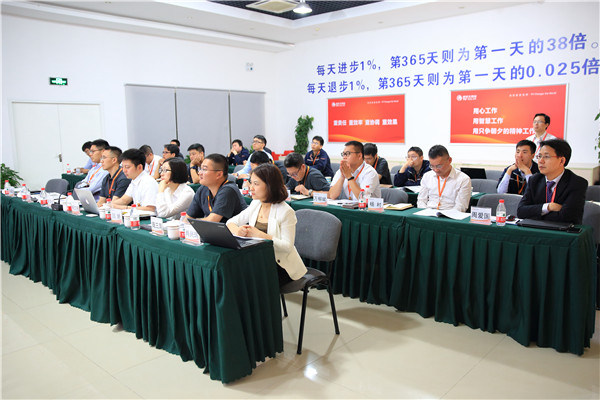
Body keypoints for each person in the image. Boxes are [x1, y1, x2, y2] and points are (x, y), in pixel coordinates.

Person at [226, 163, 307, 287]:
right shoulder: (256, 204)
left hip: (279, 264)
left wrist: (260, 235)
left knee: (243, 277)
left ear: (270, 185)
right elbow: (230, 222)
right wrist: (238, 231)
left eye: (256, 184)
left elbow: (287, 247)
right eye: (251, 182)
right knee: (231, 270)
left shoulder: (286, 212)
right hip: (258, 259)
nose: (251, 188)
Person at [517, 139, 587, 224]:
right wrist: (548, 207)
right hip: (537, 229)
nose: (540, 161)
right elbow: (521, 211)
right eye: (539, 156)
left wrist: (536, 213)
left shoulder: (577, 183)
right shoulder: (534, 180)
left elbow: (567, 217)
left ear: (561, 161)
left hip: (564, 231)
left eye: (546, 157)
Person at [186, 154, 247, 222]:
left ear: (219, 174)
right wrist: (190, 222)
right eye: (200, 169)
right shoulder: (203, 189)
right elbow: (187, 219)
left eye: (204, 169)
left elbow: (212, 221)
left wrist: (192, 222)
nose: (199, 173)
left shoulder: (228, 190)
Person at [417, 145, 471, 212]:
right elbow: (421, 200)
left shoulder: (463, 179)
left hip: (450, 215)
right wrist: (425, 212)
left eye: (439, 166)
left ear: (449, 160)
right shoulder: (427, 176)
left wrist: (445, 215)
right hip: (428, 213)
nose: (436, 170)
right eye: (432, 166)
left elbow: (461, 206)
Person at [111, 148, 158, 214]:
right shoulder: (134, 180)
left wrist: (126, 208)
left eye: (127, 167)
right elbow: (124, 200)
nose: (124, 170)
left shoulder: (148, 182)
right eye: (123, 167)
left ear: (139, 167)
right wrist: (110, 205)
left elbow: (150, 209)